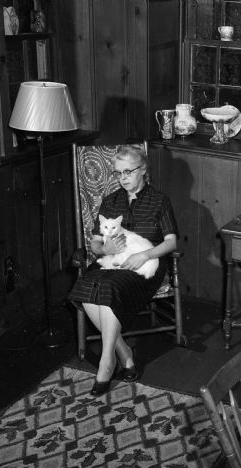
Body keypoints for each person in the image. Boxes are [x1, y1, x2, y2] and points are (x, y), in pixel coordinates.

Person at [68, 146, 178, 396]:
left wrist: (144, 255)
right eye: (118, 173)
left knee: (107, 287)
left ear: (143, 170)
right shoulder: (110, 201)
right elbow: (96, 244)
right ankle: (124, 351)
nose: (123, 177)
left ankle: (107, 362)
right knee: (86, 286)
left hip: (143, 266)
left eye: (128, 171)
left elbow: (171, 242)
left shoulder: (159, 201)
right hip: (110, 260)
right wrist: (103, 246)